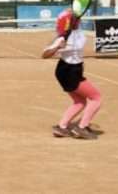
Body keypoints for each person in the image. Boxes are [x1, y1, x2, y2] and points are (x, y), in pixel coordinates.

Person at [42, 10, 103, 140]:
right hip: (70, 72)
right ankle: (81, 128)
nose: (79, 19)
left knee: (79, 101)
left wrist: (62, 40)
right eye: (75, 19)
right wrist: (58, 47)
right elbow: (44, 55)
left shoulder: (70, 35)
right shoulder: (64, 38)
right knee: (96, 98)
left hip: (64, 70)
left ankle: (62, 127)